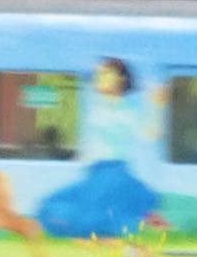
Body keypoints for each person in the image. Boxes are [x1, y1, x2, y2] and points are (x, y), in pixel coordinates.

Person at [36, 58, 168, 242]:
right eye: (100, 75)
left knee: (91, 221)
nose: (99, 78)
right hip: (97, 172)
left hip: (112, 173)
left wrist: (157, 106)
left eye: (105, 75)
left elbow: (150, 134)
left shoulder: (128, 111)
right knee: (63, 211)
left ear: (120, 80)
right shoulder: (98, 104)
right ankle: (128, 252)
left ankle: (130, 253)